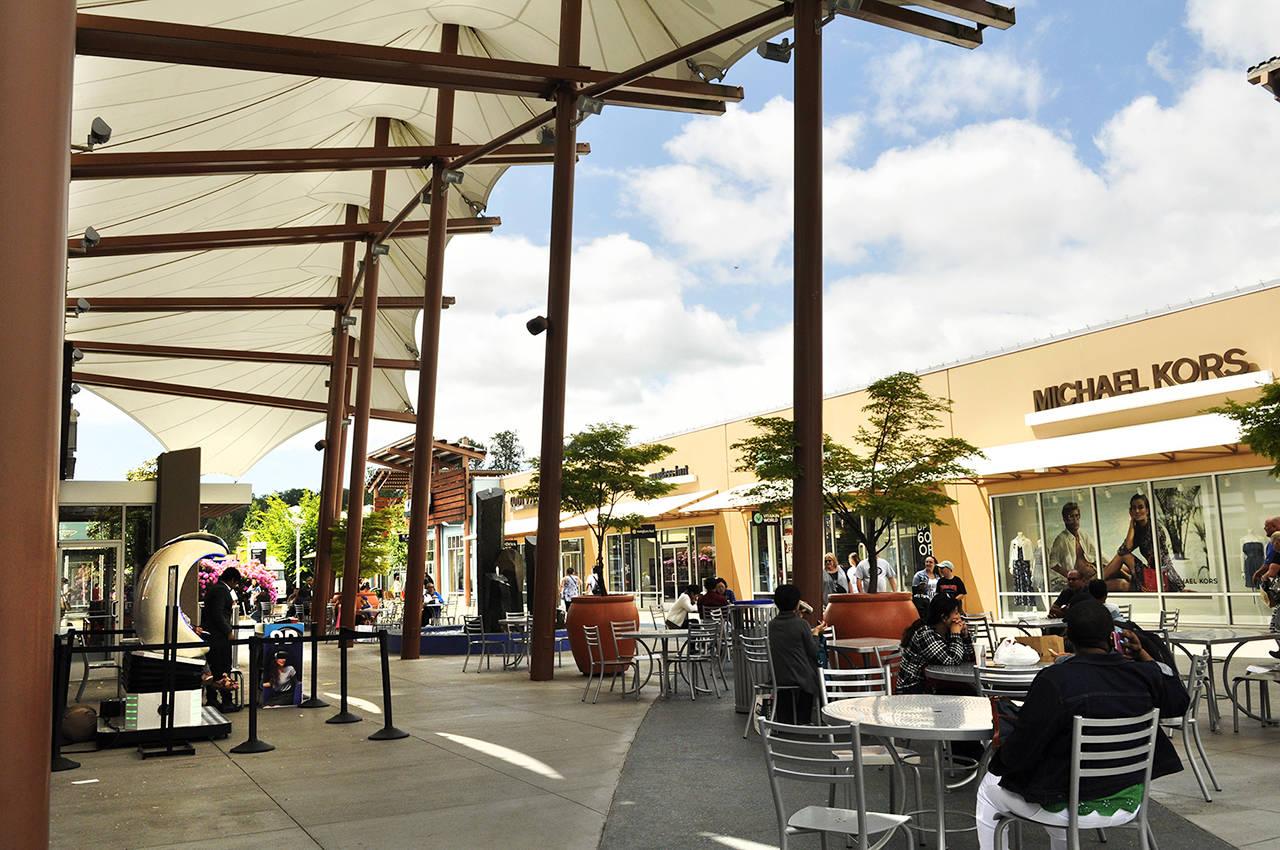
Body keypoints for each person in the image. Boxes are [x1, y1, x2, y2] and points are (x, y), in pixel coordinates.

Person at [975, 601, 1190, 850]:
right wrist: (1142, 654)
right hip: (1129, 798)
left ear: (1068, 638)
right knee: (1047, 779)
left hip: (1068, 802)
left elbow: (1021, 750)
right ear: (1112, 636)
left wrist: (999, 763)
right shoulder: (1143, 674)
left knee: (989, 787)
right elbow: (1179, 703)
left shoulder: (1055, 680)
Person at [1101, 493, 1185, 593]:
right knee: (1118, 578)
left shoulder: (1154, 528)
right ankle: (1094, 584)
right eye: (1134, 508)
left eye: (1140, 507)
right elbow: (1124, 549)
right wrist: (1132, 522)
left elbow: (1124, 553)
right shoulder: (1139, 529)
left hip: (1161, 577)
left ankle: (1093, 583)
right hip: (1150, 574)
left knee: (1122, 563)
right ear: (1131, 511)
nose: (1137, 511)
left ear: (1147, 510)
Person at [767, 583, 826, 724]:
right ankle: (803, 720)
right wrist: (816, 633)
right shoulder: (802, 625)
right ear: (796, 603)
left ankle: (786, 719)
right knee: (812, 677)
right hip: (799, 675)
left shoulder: (772, 625)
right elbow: (813, 651)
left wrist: (797, 615)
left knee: (789, 681)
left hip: (778, 675)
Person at [897, 594, 975, 694]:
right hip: (913, 689)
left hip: (934, 684)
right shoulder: (925, 634)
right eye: (956, 613)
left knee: (971, 691)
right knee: (967, 693)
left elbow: (969, 659)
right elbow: (952, 661)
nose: (959, 617)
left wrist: (965, 636)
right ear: (944, 617)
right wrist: (955, 634)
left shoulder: (946, 632)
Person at [200, 566, 241, 714]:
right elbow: (218, 614)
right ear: (232, 580)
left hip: (210, 635)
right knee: (223, 667)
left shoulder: (213, 588)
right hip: (218, 637)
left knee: (214, 667)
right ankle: (226, 700)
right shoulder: (222, 591)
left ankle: (212, 699)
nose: (235, 586)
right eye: (236, 583)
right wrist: (228, 630)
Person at [1048, 502, 1098, 586]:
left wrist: (1105, 565)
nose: (1075, 520)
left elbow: (1096, 553)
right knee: (1122, 583)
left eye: (1077, 516)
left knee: (1122, 570)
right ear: (1065, 519)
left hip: (1096, 573)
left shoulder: (1083, 534)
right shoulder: (1061, 539)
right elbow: (1052, 564)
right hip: (1086, 581)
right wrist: (1072, 577)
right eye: (1071, 517)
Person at [1251, 530, 1280, 658]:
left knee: (1275, 625)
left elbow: (1272, 572)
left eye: (1273, 544)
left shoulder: (1278, 556)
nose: (1272, 547)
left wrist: (1263, 577)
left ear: (1277, 543)